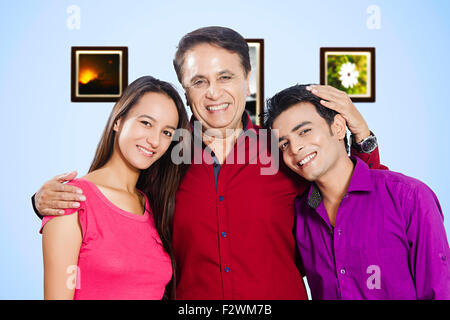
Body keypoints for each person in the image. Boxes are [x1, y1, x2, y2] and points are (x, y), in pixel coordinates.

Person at [33, 26, 385, 299]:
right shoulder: (161, 152)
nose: (213, 93)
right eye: (199, 81)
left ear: (248, 79)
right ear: (186, 90)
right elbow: (109, 206)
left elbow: (358, 196)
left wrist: (363, 136)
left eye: (225, 77)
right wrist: (45, 203)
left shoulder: (283, 146)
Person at [265, 84, 450, 299]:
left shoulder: (409, 196)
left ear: (337, 128)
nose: (295, 148)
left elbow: (439, 291)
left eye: (304, 131)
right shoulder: (301, 216)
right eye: (284, 144)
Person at [40, 76, 189, 299]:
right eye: (146, 123)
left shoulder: (154, 205)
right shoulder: (72, 200)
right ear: (118, 121)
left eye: (167, 132)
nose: (155, 141)